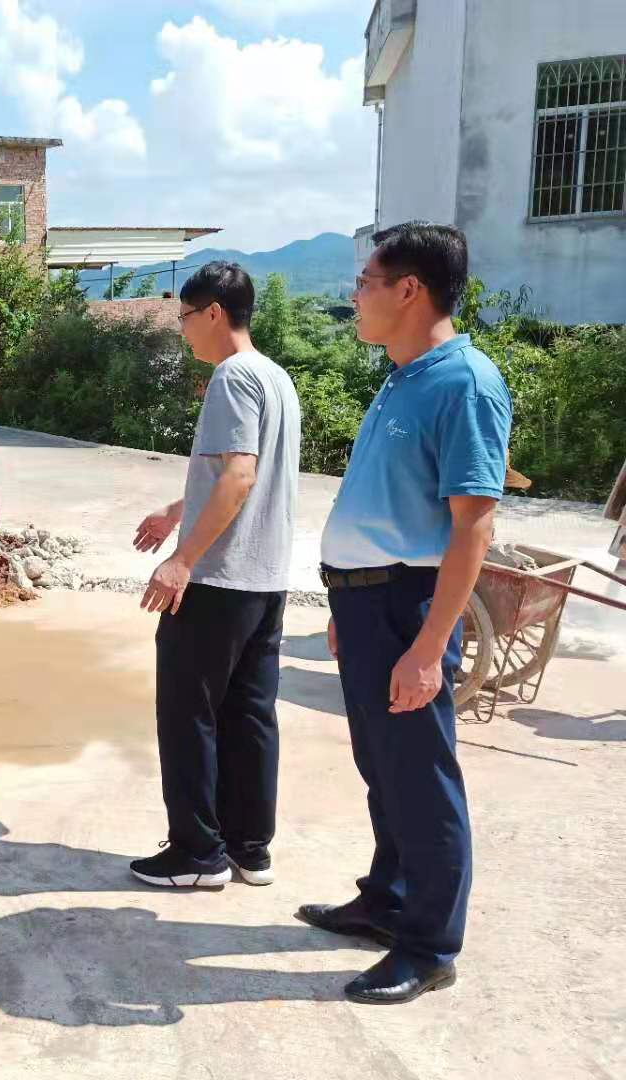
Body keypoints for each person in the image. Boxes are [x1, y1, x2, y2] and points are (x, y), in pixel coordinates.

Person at [300, 222, 511, 1005]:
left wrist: (428, 644)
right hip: (368, 602)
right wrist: (347, 598)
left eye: (366, 281)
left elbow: (473, 525)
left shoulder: (465, 383)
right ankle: (387, 899)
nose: (355, 294)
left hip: (406, 604)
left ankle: (428, 946)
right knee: (383, 769)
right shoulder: (403, 376)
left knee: (420, 777)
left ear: (410, 290)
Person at [129, 261, 301, 891]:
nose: (182, 330)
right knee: (250, 715)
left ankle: (197, 853)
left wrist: (183, 559)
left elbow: (240, 474)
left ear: (213, 313)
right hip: (265, 580)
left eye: (184, 317)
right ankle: (250, 849)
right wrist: (178, 510)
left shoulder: (232, 376)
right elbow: (238, 473)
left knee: (188, 715)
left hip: (218, 581)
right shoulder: (275, 377)